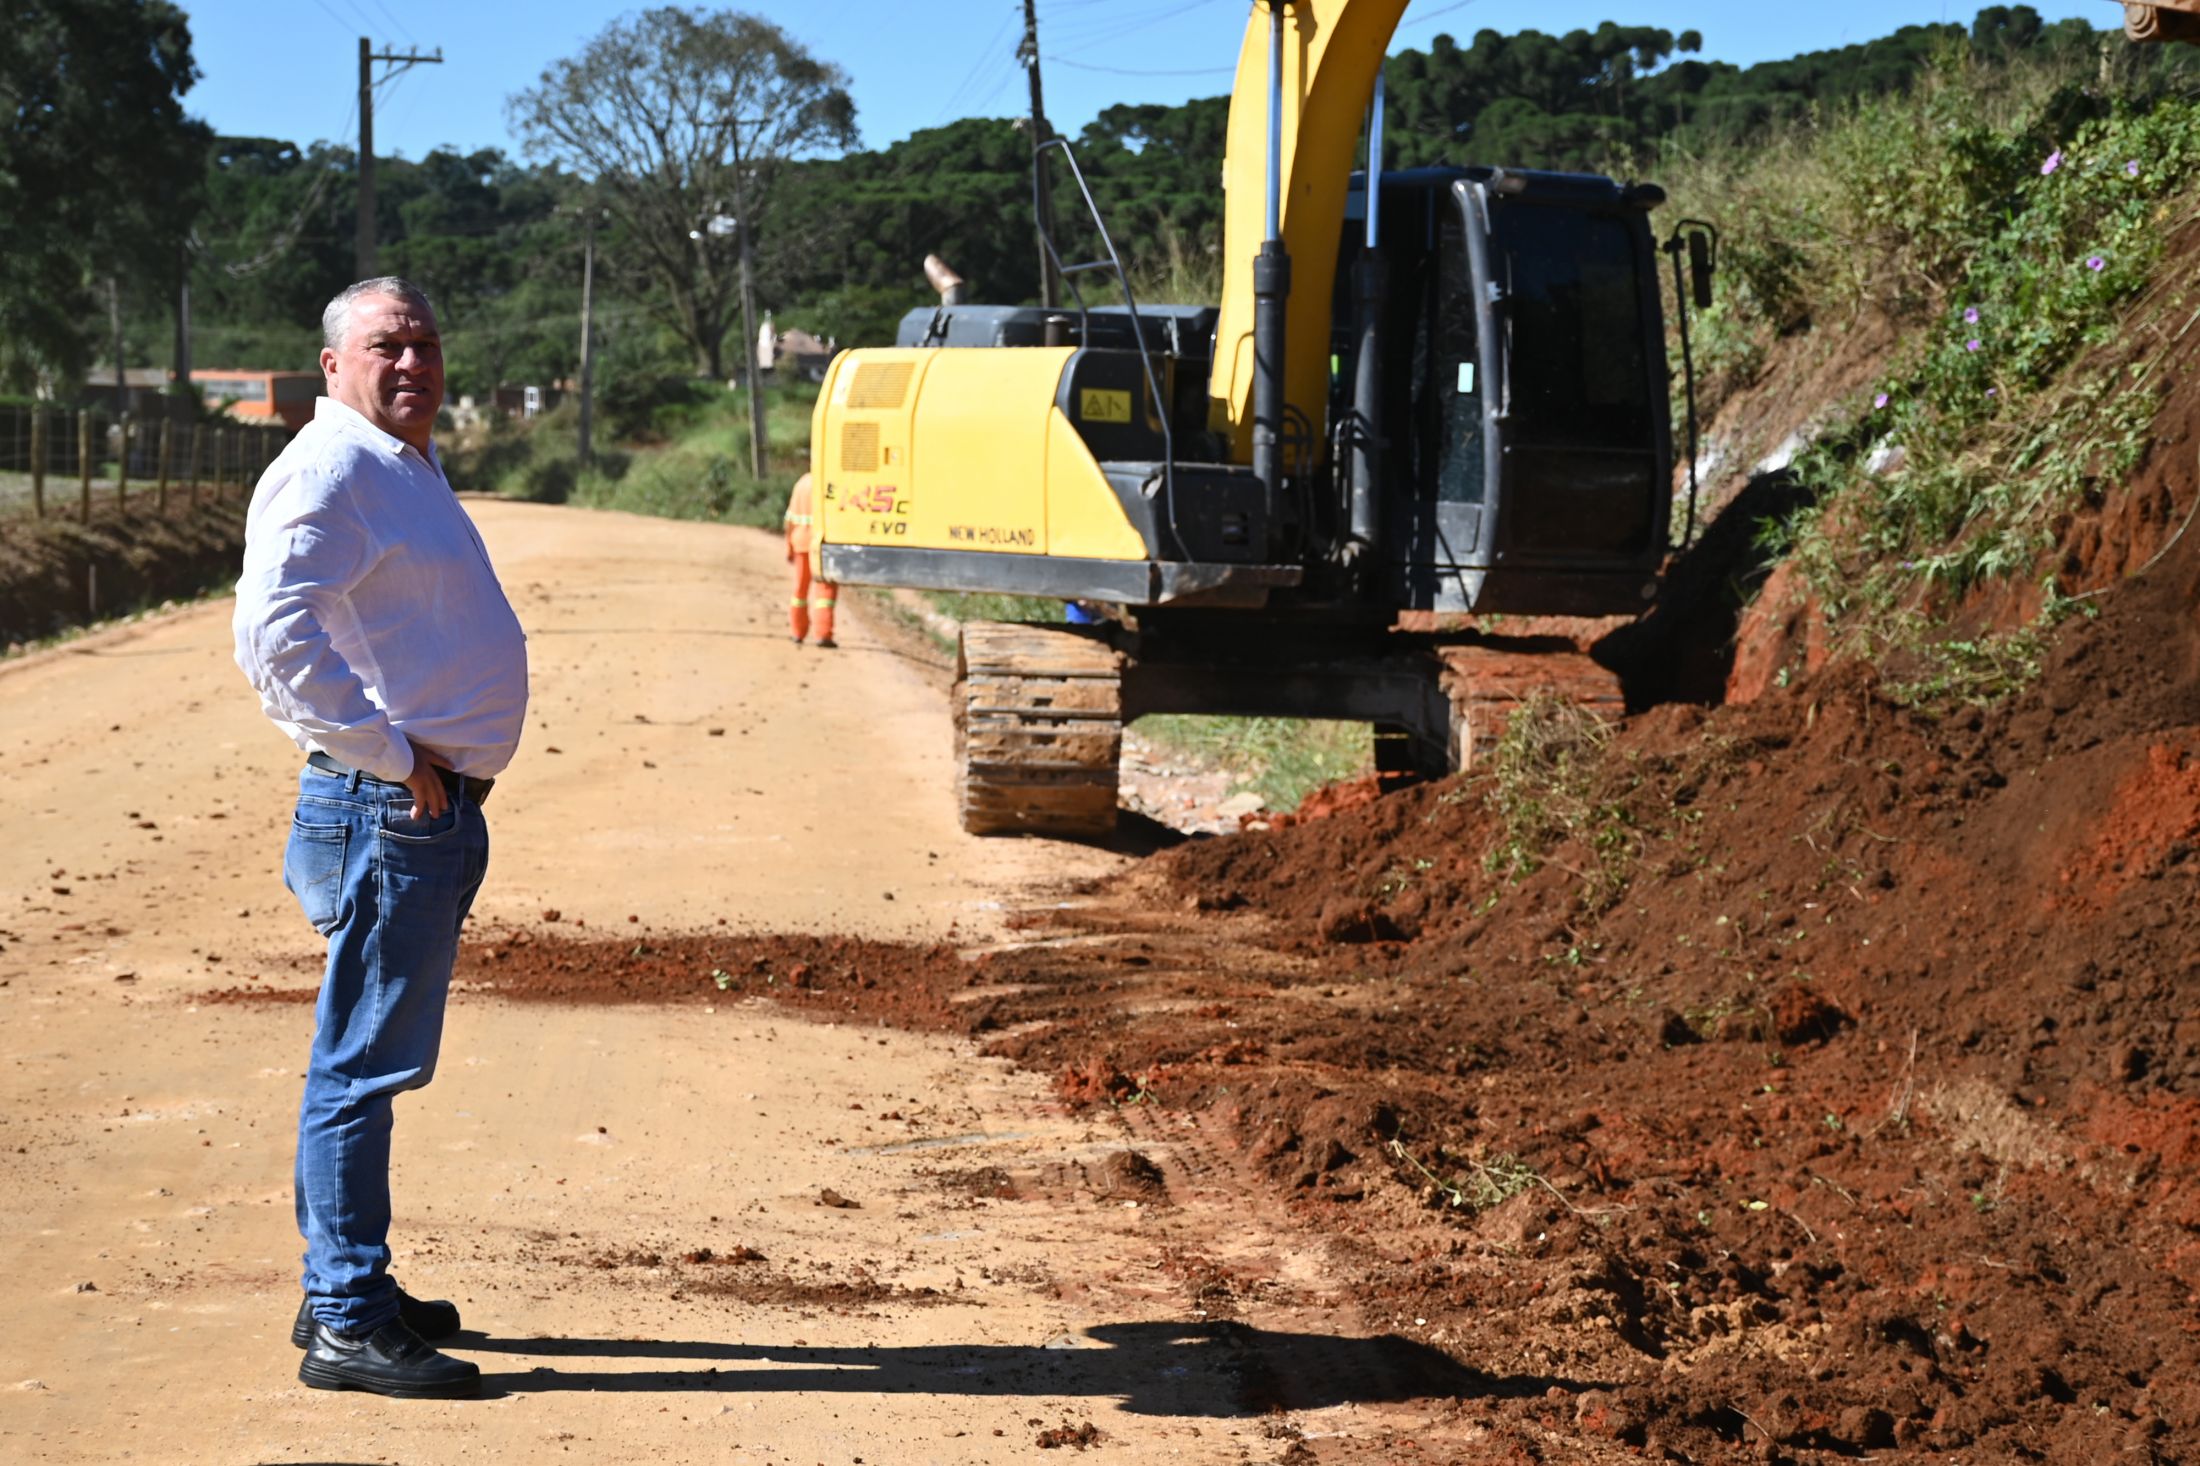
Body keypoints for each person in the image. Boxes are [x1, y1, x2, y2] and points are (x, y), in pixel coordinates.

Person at [233, 276, 528, 1399]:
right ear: (332, 365)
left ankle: (344, 1287)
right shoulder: (331, 467)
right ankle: (349, 1317)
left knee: (363, 1061)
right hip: (391, 808)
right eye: (386, 345)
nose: (412, 363)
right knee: (360, 1067)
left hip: (418, 807)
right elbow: (273, 636)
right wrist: (397, 760)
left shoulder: (399, 462)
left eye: (425, 343)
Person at [783, 470, 836, 647]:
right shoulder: (829, 482)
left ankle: (797, 632)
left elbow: (789, 519)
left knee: (800, 588)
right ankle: (823, 634)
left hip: (800, 542)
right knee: (825, 589)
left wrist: (789, 545)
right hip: (823, 544)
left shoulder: (801, 483)